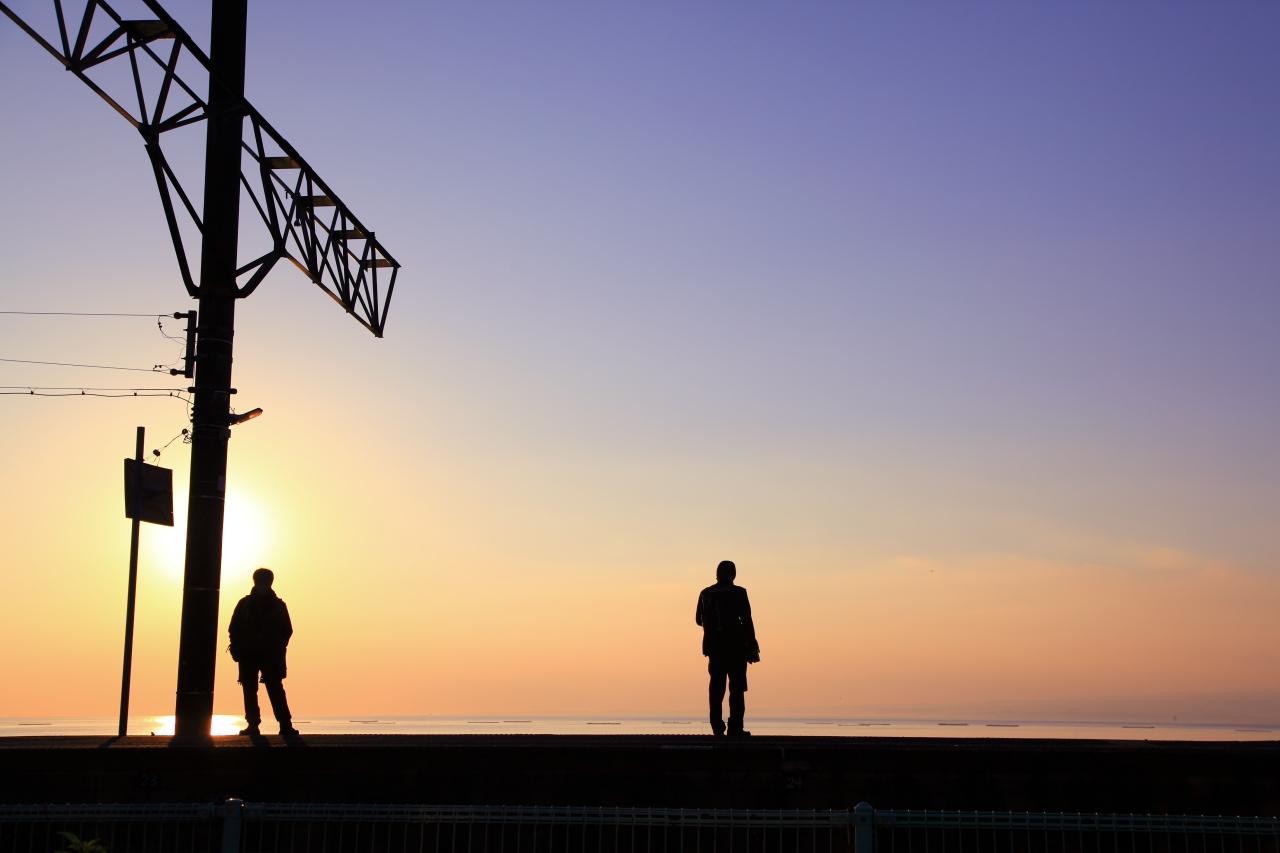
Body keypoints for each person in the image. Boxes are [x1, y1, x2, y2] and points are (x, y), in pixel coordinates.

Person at [228, 567, 298, 737]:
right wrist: (236, 647)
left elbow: (287, 631)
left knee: (274, 689)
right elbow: (233, 628)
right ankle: (254, 725)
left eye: (265, 582)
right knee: (250, 690)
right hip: (249, 654)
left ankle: (284, 724)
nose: (263, 585)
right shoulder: (244, 604)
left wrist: (277, 646)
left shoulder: (278, 605)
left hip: (270, 655)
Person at [695, 560, 759, 737]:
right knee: (737, 689)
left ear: (717, 574)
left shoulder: (705, 593)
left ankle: (717, 727)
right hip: (736, 647)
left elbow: (698, 620)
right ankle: (735, 727)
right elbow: (747, 620)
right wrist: (753, 645)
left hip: (714, 648)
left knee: (716, 688)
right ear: (734, 574)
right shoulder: (739, 593)